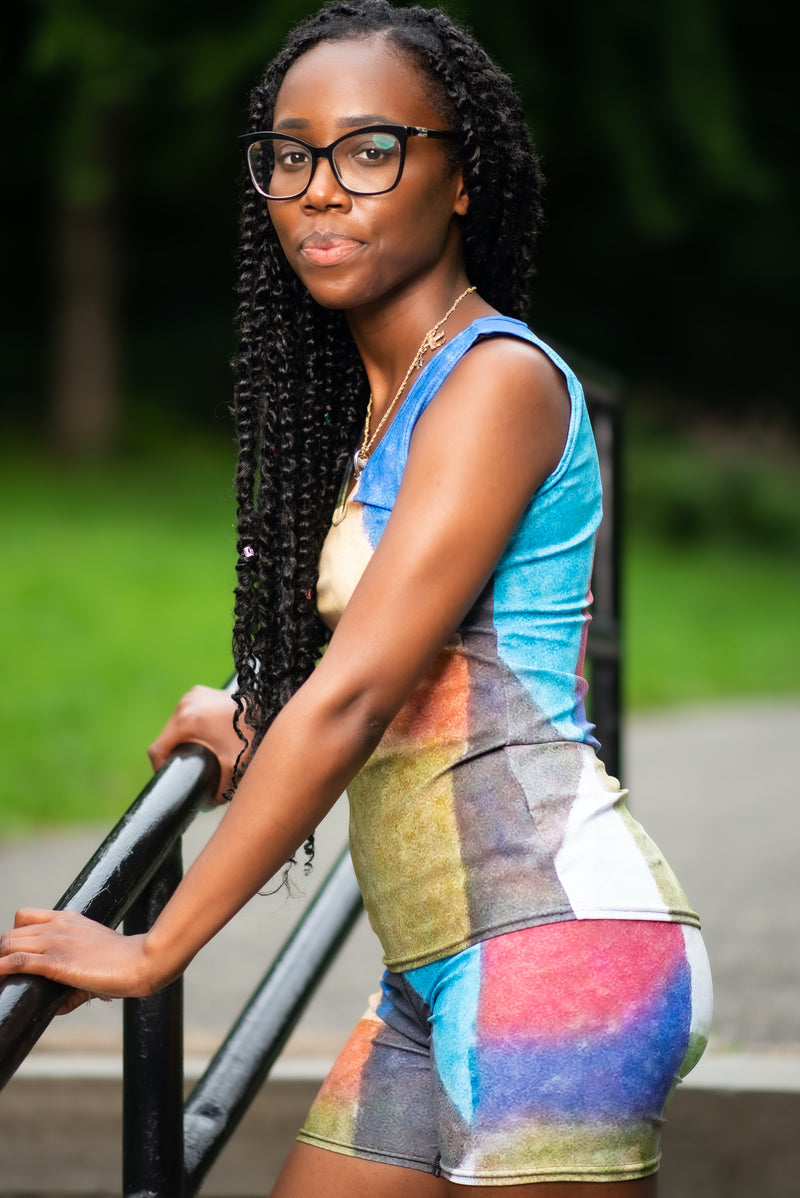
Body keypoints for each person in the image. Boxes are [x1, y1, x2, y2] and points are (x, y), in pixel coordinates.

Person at [0, 2, 712, 1193]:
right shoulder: (391, 404)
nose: (319, 187)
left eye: (369, 149)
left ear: (460, 179)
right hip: (433, 969)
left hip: (555, 956)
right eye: (290, 154)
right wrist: (259, 705)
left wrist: (150, 949)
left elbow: (361, 690)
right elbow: (384, 658)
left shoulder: (495, 383)